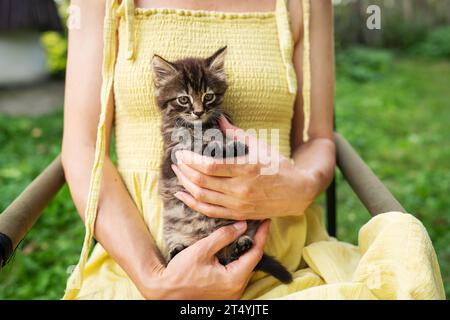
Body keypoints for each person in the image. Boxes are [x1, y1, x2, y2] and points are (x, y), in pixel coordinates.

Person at [61, 0, 445, 299]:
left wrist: (299, 185)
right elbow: (82, 148)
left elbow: (318, 138)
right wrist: (155, 278)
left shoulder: (308, 5)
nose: (196, 109)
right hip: (141, 257)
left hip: (284, 249)